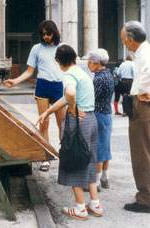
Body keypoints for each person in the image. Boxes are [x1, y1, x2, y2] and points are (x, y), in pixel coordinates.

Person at [37, 44, 103, 220]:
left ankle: (80, 207)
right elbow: (66, 97)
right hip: (91, 120)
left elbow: (70, 94)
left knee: (72, 161)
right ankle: (95, 204)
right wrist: (48, 112)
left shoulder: (68, 75)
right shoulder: (82, 72)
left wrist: (72, 108)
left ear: (58, 61)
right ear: (74, 57)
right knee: (88, 160)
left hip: (77, 122)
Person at [3, 20, 65, 171]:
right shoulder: (36, 49)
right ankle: (46, 157)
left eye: (48, 34)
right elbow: (29, 71)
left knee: (62, 124)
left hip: (59, 86)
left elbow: (70, 69)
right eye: (43, 34)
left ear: (54, 32)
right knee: (44, 122)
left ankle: (65, 156)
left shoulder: (63, 48)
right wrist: (15, 81)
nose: (45, 37)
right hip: (42, 85)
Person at [120, 20, 150, 213]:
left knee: (141, 153)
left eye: (124, 40)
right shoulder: (145, 52)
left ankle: (146, 199)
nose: (123, 43)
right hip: (144, 103)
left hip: (143, 104)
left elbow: (146, 78)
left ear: (131, 40)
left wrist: (141, 92)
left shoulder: (144, 55)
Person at [87, 49, 114, 191]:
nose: (88, 64)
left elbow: (93, 97)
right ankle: (105, 177)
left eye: (90, 62)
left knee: (97, 148)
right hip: (107, 113)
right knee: (105, 146)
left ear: (97, 63)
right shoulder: (108, 74)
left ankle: (96, 182)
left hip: (98, 114)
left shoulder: (98, 78)